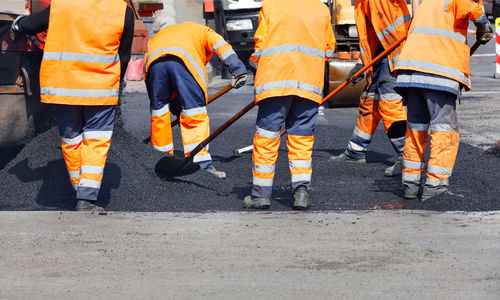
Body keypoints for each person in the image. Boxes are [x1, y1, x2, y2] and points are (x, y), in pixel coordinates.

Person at [11, 0, 134, 211]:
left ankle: (80, 190)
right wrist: (116, 84)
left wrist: (17, 24)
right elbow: (124, 56)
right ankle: (86, 197)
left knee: (71, 137)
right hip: (100, 89)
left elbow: (31, 25)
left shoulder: (62, 5)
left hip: (63, 86)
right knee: (96, 139)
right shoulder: (123, 11)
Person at [394, 0, 493, 200]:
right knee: (443, 128)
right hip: (438, 70)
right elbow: (475, 11)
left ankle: (410, 184)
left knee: (416, 128)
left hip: (411, 70)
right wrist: (484, 26)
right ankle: (436, 185)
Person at [243, 0, 336, 210]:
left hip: (276, 83)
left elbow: (260, 46)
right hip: (309, 84)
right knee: (301, 139)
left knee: (267, 137)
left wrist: (255, 66)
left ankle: (261, 195)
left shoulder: (271, 6)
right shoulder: (321, 9)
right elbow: (329, 50)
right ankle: (301, 193)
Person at [143, 22, 247, 179]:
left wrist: (178, 109)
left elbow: (164, 88)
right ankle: (200, 162)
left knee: (159, 112)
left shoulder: (166, 33)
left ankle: (159, 157)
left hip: (154, 64)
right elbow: (223, 48)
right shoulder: (205, 31)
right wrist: (238, 70)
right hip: (183, 59)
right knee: (194, 111)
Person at [329, 0, 410, 177]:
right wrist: (361, 64)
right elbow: (369, 36)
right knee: (369, 100)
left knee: (389, 103)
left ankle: (407, 155)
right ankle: (356, 150)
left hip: (396, 53)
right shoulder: (360, 3)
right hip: (379, 57)